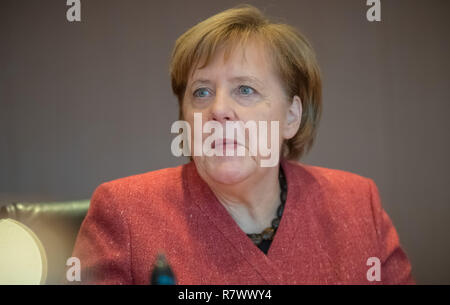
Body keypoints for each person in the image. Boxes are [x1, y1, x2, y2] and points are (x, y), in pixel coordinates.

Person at [70, 5, 414, 284]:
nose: (218, 109)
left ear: (291, 117)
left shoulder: (356, 204)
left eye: (245, 89)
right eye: (201, 92)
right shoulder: (124, 212)